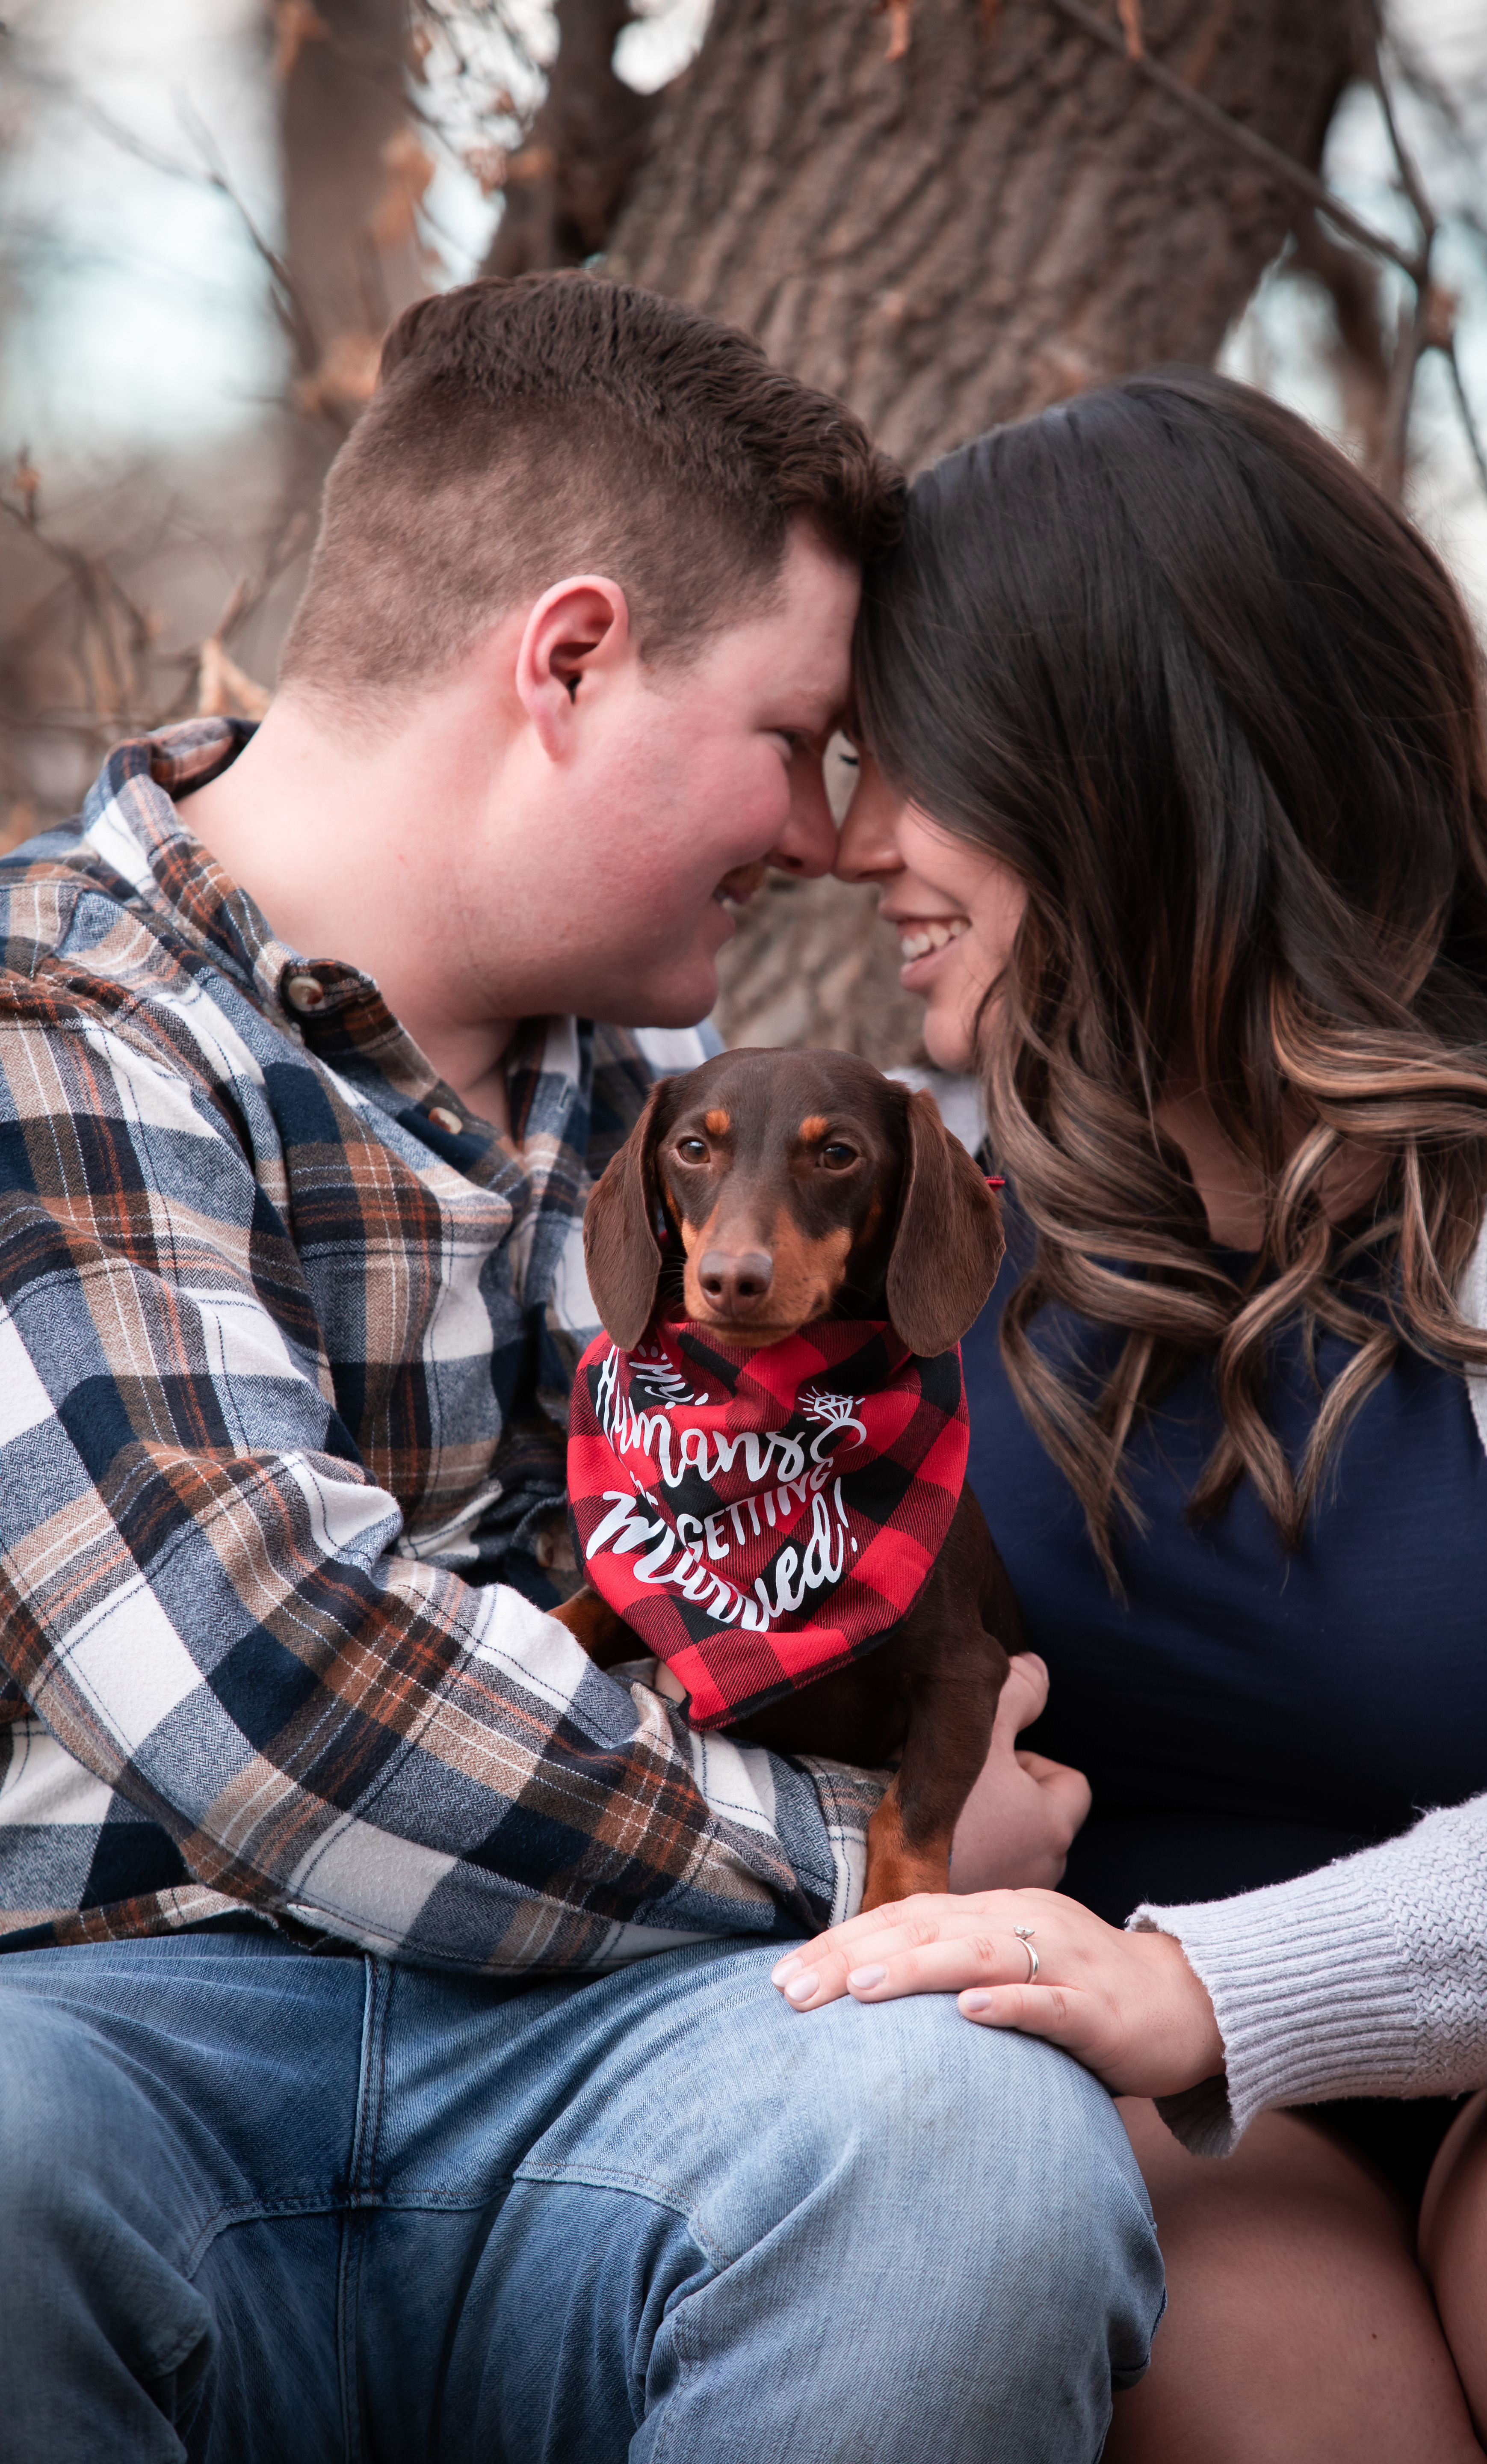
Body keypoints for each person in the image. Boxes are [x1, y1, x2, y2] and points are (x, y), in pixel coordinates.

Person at [0, 274, 1162, 2463]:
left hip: (637, 2044)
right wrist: (887, 1842)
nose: (824, 834)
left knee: (974, 2159)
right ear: (570, 661)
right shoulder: (53, 1037)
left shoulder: (685, 1112)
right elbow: (276, 1692)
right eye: (796, 739)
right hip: (121, 2041)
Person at [779, 366, 1487, 2462]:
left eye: (914, 766)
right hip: (1202, 2114)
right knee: (1180, 2316)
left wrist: (1209, 1985)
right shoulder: (930, 1207)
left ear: (1118, 765)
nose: (851, 844)